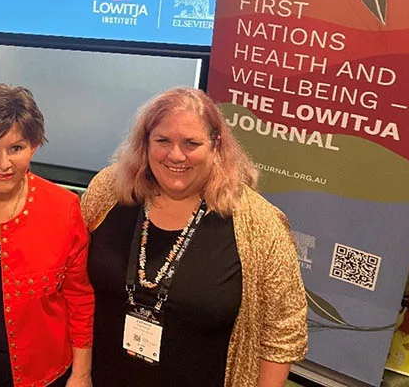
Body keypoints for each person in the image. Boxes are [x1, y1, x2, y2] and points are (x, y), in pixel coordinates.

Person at [81, 87, 307, 387]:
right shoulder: (109, 190)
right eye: (162, 141)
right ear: (145, 143)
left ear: (216, 145)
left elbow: (283, 332)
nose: (176, 155)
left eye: (191, 143)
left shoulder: (260, 225)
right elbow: (71, 281)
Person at [0, 84, 95, 387]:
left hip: (45, 373)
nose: (3, 164)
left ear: (34, 145)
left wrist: (82, 373)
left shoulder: (64, 208)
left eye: (16, 148)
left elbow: (79, 297)